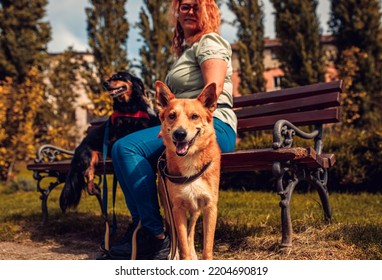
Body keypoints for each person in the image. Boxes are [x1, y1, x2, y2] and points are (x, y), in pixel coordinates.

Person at [99, 0, 237, 260]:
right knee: (120, 149)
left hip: (209, 124)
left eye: (197, 6)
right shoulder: (188, 51)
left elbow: (213, 90)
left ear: (209, 10)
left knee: (127, 148)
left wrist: (179, 125)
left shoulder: (210, 42)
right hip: (182, 125)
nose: (190, 11)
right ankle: (142, 227)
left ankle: (155, 235)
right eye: (184, 6)